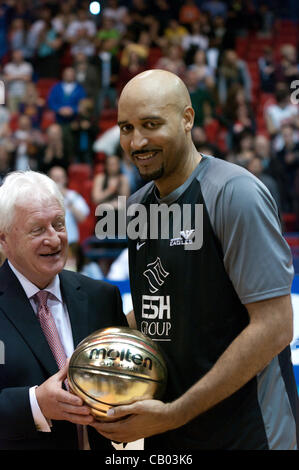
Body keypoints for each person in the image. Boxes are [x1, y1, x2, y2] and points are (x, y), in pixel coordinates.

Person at [92, 69, 299, 450]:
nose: (136, 141)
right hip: (168, 431)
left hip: (247, 433)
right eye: (126, 127)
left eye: (151, 124)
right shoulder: (137, 207)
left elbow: (274, 326)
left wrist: (176, 413)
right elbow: (158, 307)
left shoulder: (236, 195)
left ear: (187, 119)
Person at [0, 170, 128, 450]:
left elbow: (125, 380)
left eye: (59, 224)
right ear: (3, 239)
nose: (55, 239)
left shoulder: (102, 297)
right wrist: (35, 404)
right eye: (37, 229)